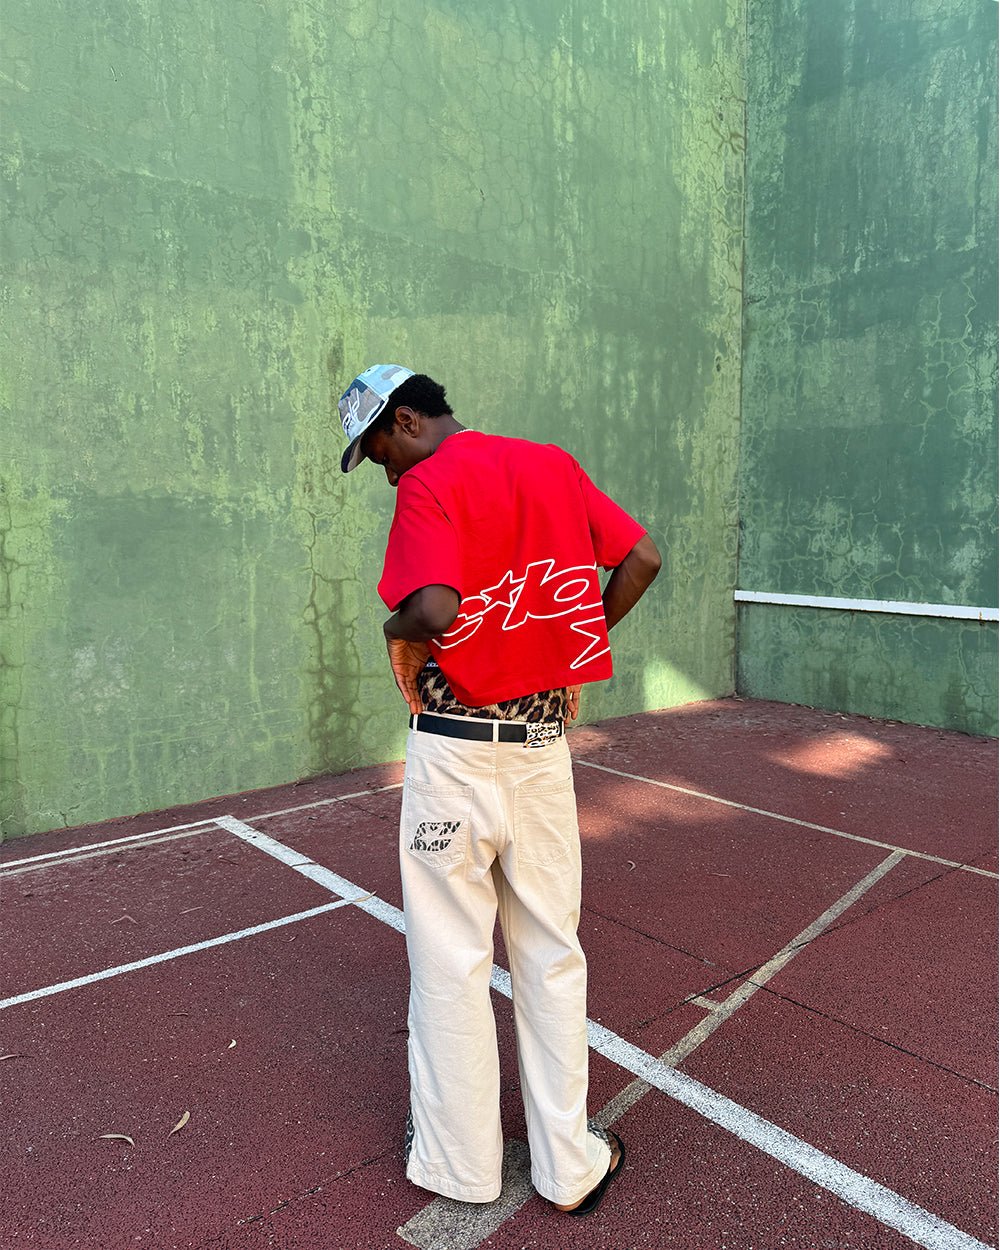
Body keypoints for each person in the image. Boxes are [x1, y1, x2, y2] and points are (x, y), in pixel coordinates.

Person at [338, 363, 661, 1215]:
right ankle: (569, 1166)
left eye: (379, 454)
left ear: (406, 421)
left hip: (454, 759)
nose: (386, 475)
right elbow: (643, 557)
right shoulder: (550, 464)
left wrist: (394, 630)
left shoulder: (428, 483)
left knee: (450, 959)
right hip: (541, 754)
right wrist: (572, 641)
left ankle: (461, 1168)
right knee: (552, 952)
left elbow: (434, 607)